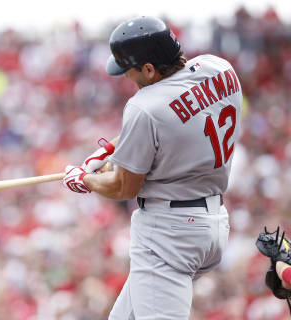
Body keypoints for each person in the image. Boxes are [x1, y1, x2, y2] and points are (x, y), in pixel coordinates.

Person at [63, 16, 243, 319]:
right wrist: (108, 150)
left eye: (130, 71)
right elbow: (170, 118)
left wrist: (85, 181)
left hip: (170, 234)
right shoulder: (218, 67)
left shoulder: (144, 106)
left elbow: (124, 187)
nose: (127, 78)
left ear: (148, 68)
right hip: (212, 222)